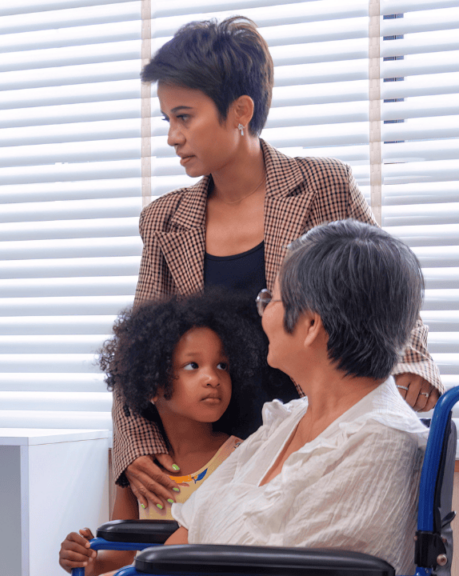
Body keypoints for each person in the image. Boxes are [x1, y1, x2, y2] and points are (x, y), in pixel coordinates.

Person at [117, 15, 442, 512]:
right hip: (212, 456)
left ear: (240, 111)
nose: (172, 137)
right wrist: (136, 443)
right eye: (167, 120)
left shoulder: (323, 185)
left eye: (184, 117)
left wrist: (412, 363)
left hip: (311, 442)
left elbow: (383, 283)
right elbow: (138, 345)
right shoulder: (165, 219)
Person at [166, 219, 428, 574]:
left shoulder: (380, 442)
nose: (264, 313)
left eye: (271, 299)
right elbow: (189, 529)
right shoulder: (288, 419)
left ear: (310, 326)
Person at [58, 291, 262, 575]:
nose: (212, 378)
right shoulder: (140, 472)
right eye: (193, 366)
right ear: (152, 384)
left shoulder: (245, 458)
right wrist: (87, 561)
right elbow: (120, 558)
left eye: (222, 365)